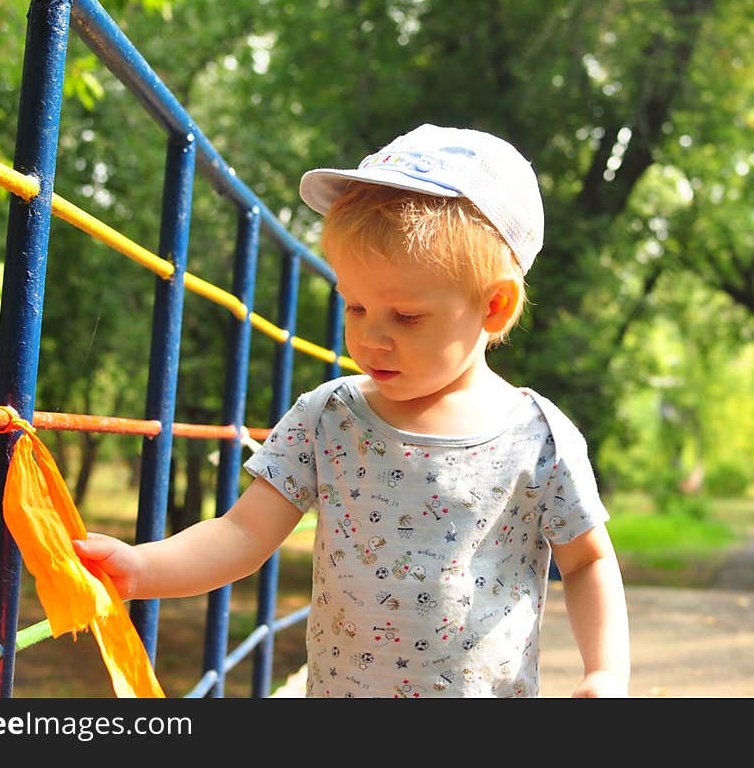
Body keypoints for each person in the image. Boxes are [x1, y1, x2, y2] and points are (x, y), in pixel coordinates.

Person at [74, 124, 630, 698]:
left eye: (406, 316)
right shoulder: (329, 417)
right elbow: (242, 533)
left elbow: (587, 563)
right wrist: (142, 569)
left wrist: (606, 673)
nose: (370, 337)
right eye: (356, 305)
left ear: (494, 305)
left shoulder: (538, 438)